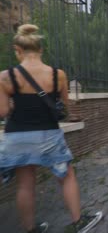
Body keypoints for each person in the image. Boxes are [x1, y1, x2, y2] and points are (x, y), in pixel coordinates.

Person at [0, 24, 102, 233]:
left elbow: (2, 112)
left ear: (17, 50)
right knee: (66, 177)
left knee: (25, 184)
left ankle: (30, 229)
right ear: (41, 49)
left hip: (17, 136)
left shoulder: (5, 77)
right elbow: (64, 105)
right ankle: (78, 222)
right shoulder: (58, 75)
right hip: (48, 134)